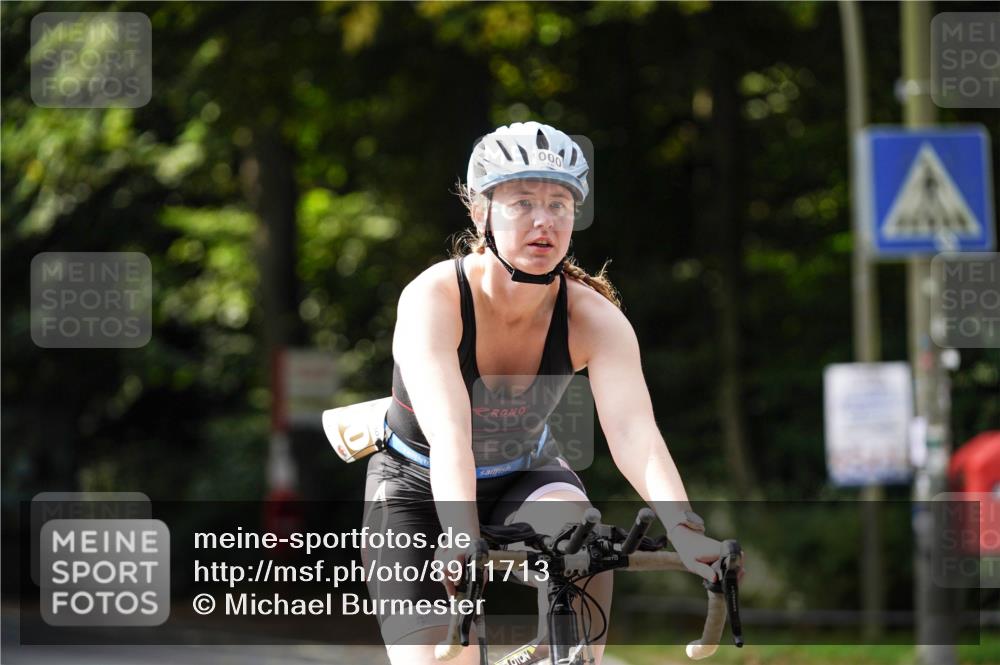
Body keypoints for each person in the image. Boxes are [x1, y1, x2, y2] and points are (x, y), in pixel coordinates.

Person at [362, 121, 724, 665]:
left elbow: (634, 433)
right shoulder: (433, 298)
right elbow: (451, 436)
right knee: (441, 659)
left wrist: (685, 528)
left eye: (559, 204)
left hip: (523, 473)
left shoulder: (593, 317)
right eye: (522, 203)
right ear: (480, 212)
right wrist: (460, 534)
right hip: (417, 484)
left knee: (583, 539)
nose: (543, 220)